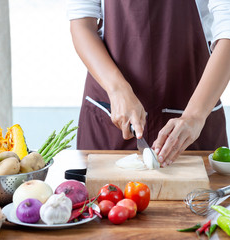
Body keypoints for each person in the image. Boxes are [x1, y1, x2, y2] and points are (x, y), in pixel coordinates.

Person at [66, 0, 230, 167]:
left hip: (193, 111)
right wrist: (117, 90)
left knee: (201, 192)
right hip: (110, 114)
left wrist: (194, 116)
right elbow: (82, 24)